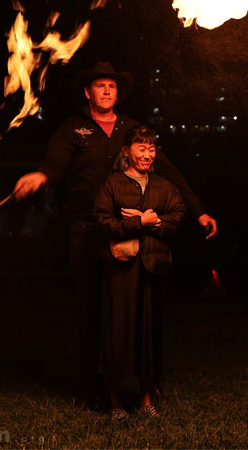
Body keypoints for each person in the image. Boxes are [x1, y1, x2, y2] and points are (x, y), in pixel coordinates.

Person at [13, 61, 216, 406]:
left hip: (131, 234)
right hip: (87, 231)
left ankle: (149, 381)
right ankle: (92, 385)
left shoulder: (132, 129)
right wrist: (41, 177)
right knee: (90, 312)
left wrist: (198, 210)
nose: (107, 91)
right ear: (87, 93)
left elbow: (168, 170)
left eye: (113, 86)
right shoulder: (73, 129)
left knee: (138, 313)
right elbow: (55, 165)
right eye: (101, 86)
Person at [93, 124, 187, 420]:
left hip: (153, 270)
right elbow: (102, 221)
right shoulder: (113, 184)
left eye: (151, 148)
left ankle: (147, 402)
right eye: (141, 147)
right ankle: (116, 402)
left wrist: (155, 221)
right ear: (126, 151)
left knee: (149, 333)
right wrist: (137, 223)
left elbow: (178, 214)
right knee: (117, 331)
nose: (147, 153)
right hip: (121, 269)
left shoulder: (163, 185)